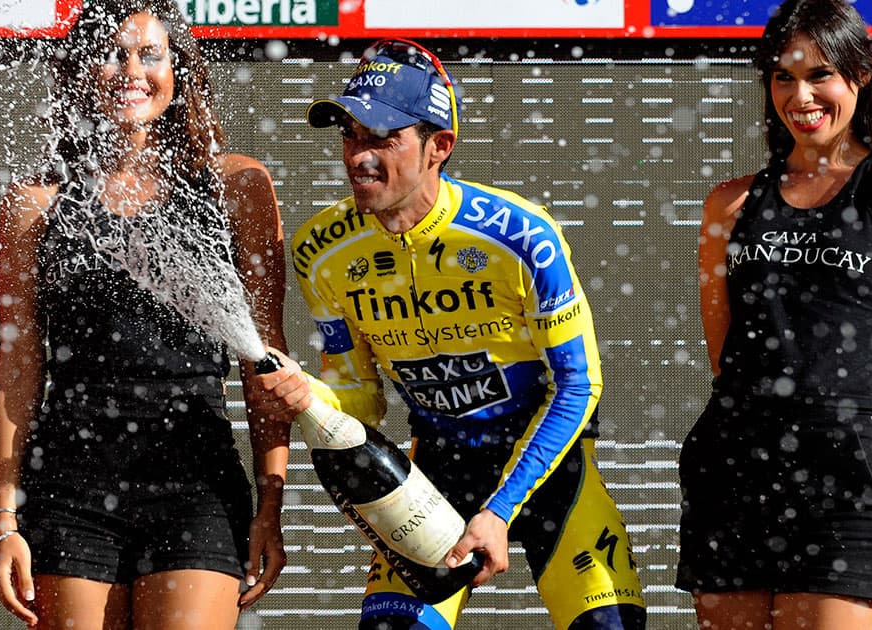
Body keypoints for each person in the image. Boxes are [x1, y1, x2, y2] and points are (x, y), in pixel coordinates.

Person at [255, 37, 646, 630]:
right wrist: (307, 395)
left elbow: (579, 383)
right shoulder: (322, 250)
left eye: (383, 138)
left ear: (440, 146)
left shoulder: (519, 235)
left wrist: (500, 508)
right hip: (434, 470)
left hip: (546, 467)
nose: (359, 156)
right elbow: (363, 398)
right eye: (350, 135)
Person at [0, 1, 294, 628]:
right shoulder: (36, 204)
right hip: (70, 485)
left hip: (196, 484)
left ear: (179, 68)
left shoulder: (237, 187)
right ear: (81, 72)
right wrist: (5, 521)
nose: (130, 69)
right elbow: (18, 364)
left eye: (149, 53)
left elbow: (266, 361)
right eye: (111, 52)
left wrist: (271, 504)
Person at [675, 0, 872, 628]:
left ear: (859, 76)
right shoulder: (731, 203)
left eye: (820, 74)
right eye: (782, 76)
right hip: (736, 473)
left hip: (846, 481)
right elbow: (729, 356)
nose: (801, 95)